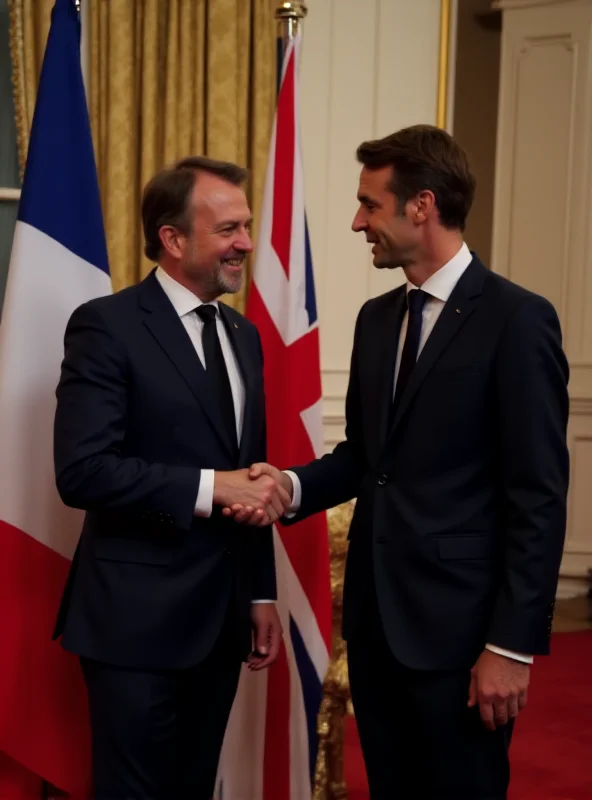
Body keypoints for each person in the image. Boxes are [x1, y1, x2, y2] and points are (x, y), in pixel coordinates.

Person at [229, 125, 570, 798]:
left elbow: (539, 494)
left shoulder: (518, 320)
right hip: (378, 631)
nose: (359, 223)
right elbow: (366, 459)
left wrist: (510, 646)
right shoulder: (376, 320)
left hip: (464, 639)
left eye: (370, 205)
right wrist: (288, 485)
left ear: (421, 205)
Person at [53, 156, 291, 800]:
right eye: (228, 230)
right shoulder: (108, 326)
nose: (245, 242)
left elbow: (255, 475)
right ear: (173, 238)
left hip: (221, 621)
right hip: (134, 622)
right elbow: (83, 471)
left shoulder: (243, 335)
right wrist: (213, 488)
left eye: (246, 226)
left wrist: (260, 594)